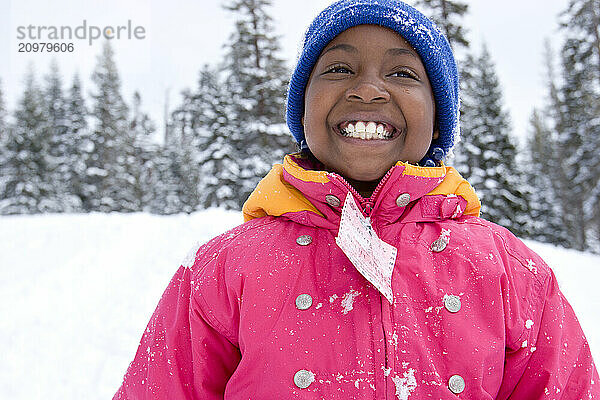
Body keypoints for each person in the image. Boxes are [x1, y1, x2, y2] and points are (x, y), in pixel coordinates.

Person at [114, 0, 599, 398]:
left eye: (404, 74)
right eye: (340, 68)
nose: (367, 89)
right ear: (303, 108)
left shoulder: (512, 272)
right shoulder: (221, 268)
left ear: (438, 118)